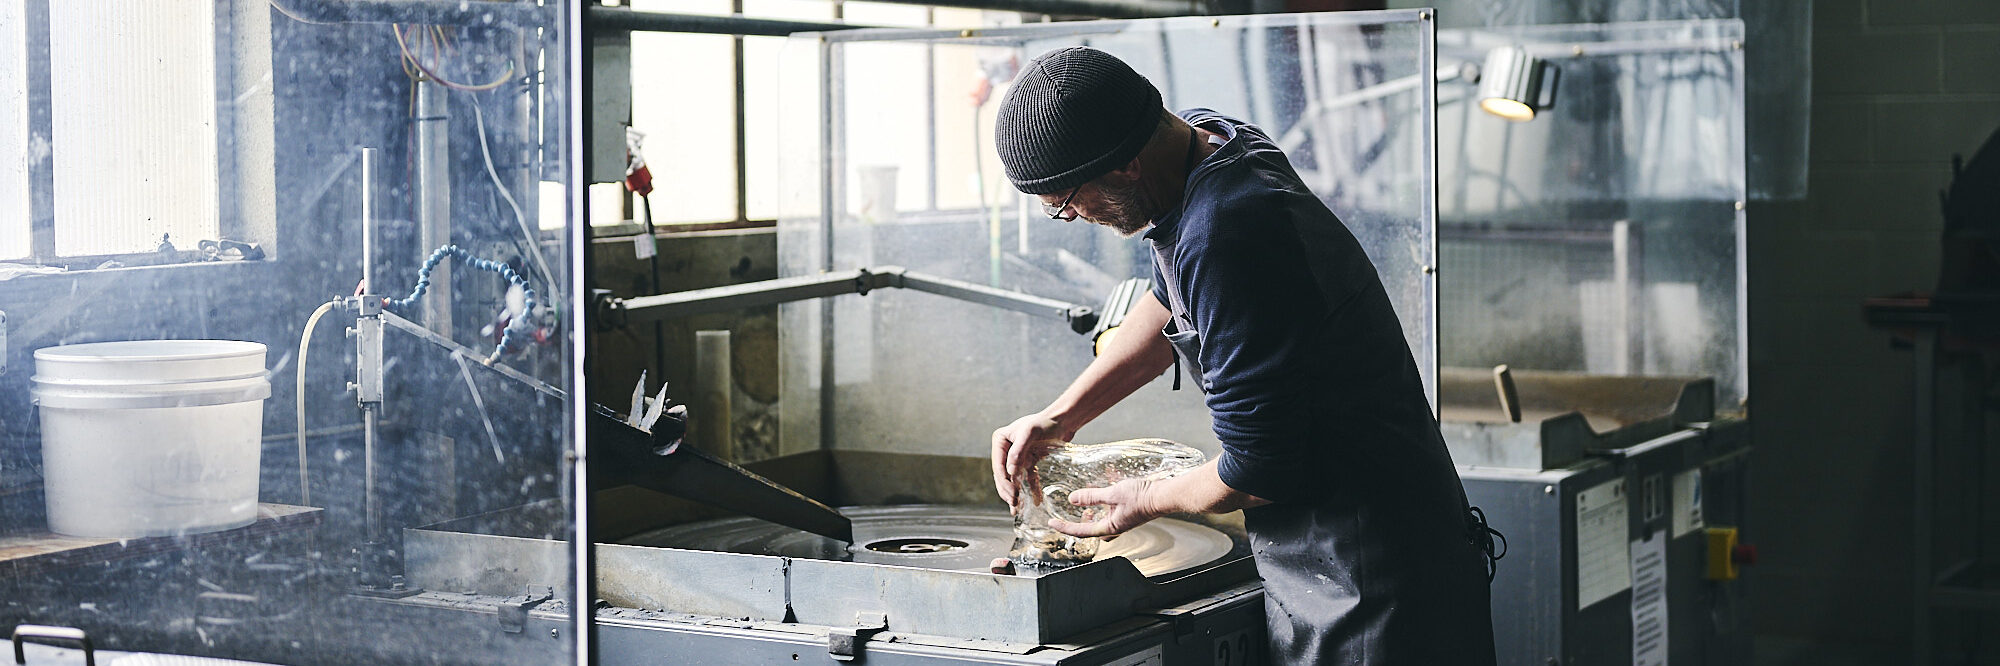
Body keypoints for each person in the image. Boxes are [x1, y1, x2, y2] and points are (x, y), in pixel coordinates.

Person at [988, 46, 1498, 664]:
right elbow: (1169, 298)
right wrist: (1063, 416)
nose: (1070, 217)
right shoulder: (1206, 142)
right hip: (1365, 548)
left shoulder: (1227, 229)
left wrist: (1138, 500)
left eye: (1065, 201)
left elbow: (1260, 468)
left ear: (1125, 166)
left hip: (1371, 585)